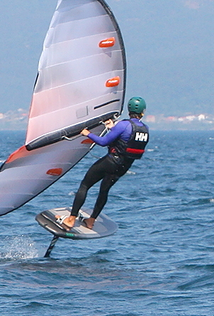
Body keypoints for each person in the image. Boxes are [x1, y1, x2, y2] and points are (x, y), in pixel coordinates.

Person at [59, 96, 149, 230]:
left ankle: (71, 219)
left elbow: (103, 142)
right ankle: (91, 221)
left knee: (85, 185)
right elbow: (125, 141)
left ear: (129, 110)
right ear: (142, 112)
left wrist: (87, 133)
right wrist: (113, 128)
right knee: (104, 191)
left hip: (111, 161)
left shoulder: (124, 125)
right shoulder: (145, 130)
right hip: (124, 166)